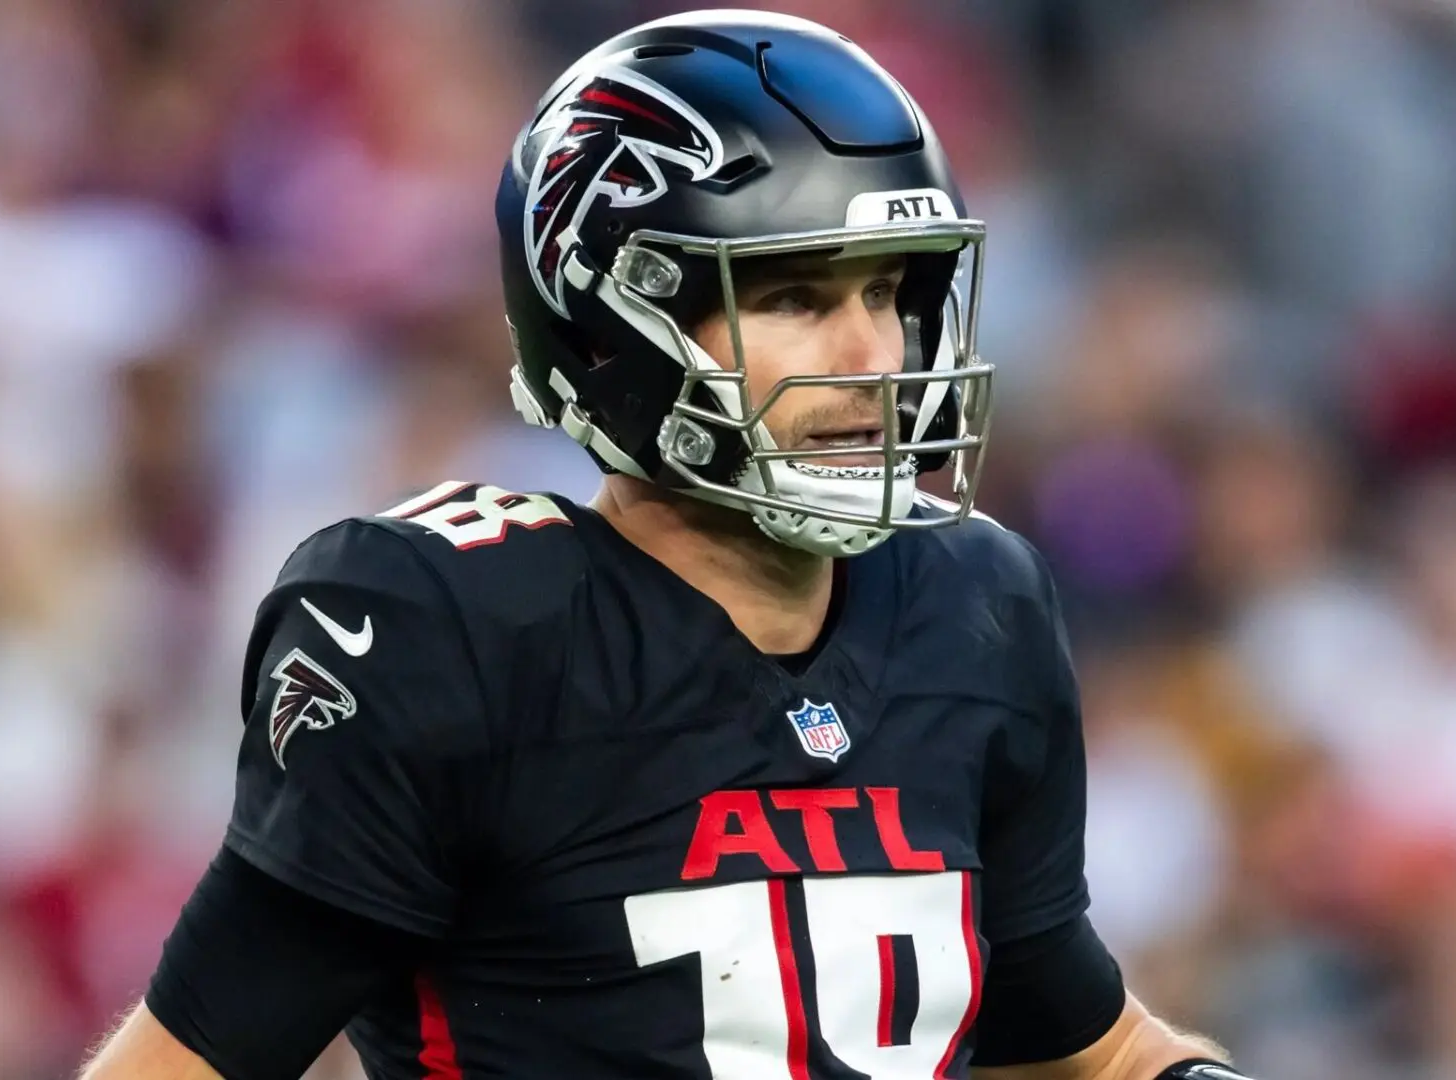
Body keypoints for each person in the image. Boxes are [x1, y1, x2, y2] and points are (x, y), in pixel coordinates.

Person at [83, 11, 1258, 1080]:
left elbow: (1069, 1039)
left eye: (892, 291)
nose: (874, 355)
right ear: (611, 331)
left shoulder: (972, 604)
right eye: (797, 297)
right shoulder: (460, 634)